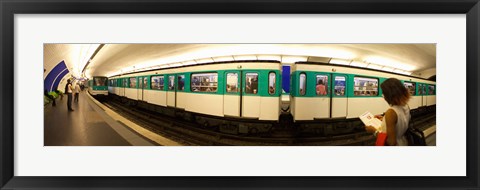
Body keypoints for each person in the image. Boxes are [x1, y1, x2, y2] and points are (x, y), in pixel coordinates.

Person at [364, 78, 411, 146]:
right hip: (403, 142)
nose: (384, 97)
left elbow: (391, 142)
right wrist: (384, 118)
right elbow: (400, 120)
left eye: (384, 93)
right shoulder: (406, 106)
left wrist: (374, 131)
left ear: (390, 94)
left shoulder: (391, 112)